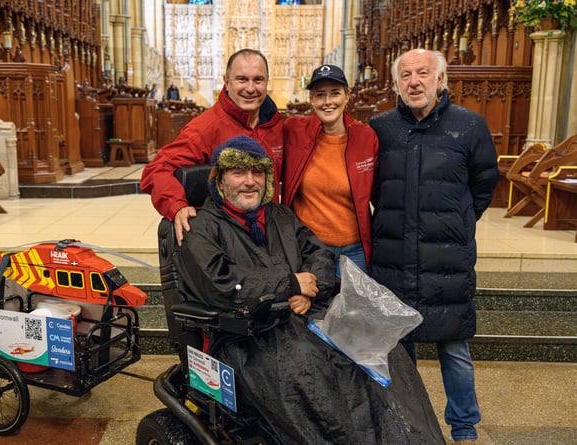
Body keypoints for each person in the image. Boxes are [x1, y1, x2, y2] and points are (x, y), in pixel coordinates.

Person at [175, 135, 445, 444]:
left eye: (257, 172)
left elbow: (319, 255)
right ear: (220, 181)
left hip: (303, 317)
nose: (249, 181)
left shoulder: (280, 216)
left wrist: (307, 290)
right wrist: (289, 283)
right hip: (246, 335)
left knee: (379, 348)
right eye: (238, 172)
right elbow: (217, 283)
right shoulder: (201, 227)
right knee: (310, 371)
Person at [368, 49, 500, 444]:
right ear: (396, 84)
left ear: (440, 80)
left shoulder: (469, 126)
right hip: (394, 257)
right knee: (399, 353)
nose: (414, 81)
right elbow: (372, 188)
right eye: (406, 75)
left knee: (454, 349)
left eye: (423, 73)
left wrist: (455, 224)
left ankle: (463, 428)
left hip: (447, 259)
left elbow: (484, 183)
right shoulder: (380, 128)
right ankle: (407, 424)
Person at [140, 49, 283, 245]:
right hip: (227, 238)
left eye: (258, 80)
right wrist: (177, 206)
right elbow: (157, 170)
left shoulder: (277, 125)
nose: (250, 88)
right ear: (227, 81)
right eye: (242, 79)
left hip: (271, 234)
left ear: (267, 82)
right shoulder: (206, 127)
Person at [283, 64, 378, 278]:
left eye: (335, 93)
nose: (328, 102)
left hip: (355, 249)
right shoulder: (294, 131)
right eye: (320, 95)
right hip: (311, 248)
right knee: (313, 309)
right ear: (311, 99)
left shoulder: (366, 137)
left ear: (347, 96)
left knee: (354, 310)